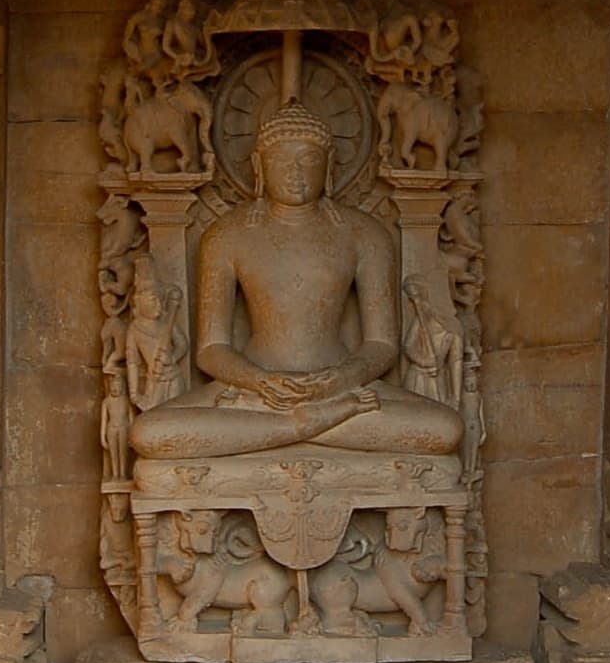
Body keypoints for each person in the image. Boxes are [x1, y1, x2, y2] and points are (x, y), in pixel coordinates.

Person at [131, 99, 462, 462]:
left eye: (309, 159)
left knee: (445, 429)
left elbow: (381, 344)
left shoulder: (364, 234)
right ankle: (300, 427)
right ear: (259, 165)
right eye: (281, 160)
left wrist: (339, 379)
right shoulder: (226, 236)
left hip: (341, 390)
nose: (296, 172)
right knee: (148, 433)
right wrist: (259, 381)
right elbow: (211, 350)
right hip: (253, 396)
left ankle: (291, 428)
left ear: (329, 165)